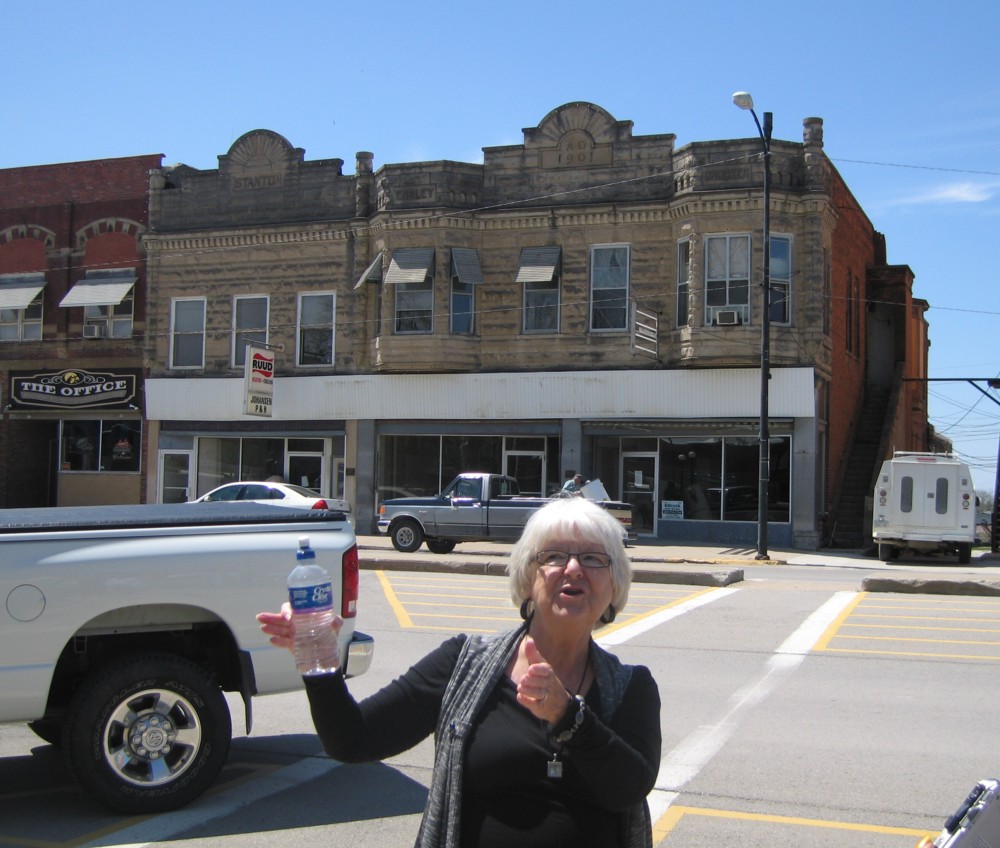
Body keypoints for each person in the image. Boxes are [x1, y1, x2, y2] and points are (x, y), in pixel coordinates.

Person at [257, 497, 661, 848]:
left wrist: (568, 717)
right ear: (527, 578)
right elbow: (352, 740)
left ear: (614, 586)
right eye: (553, 556)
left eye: (593, 558)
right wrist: (320, 661)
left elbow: (629, 789)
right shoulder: (462, 664)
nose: (573, 568)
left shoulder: (631, 687)